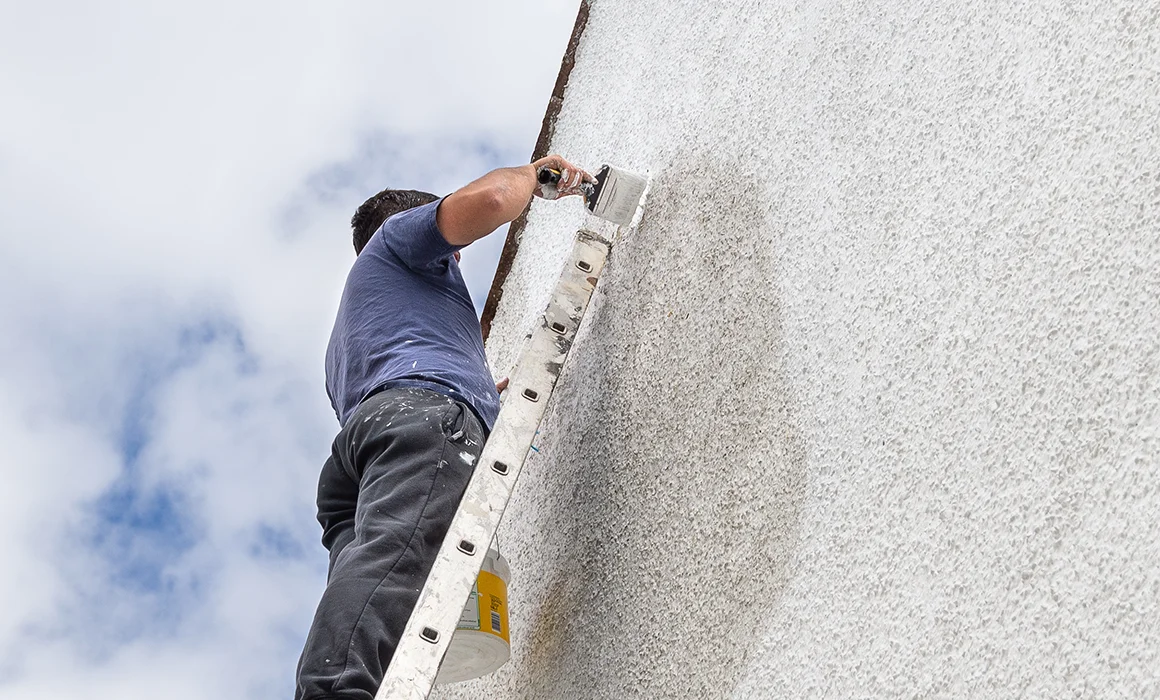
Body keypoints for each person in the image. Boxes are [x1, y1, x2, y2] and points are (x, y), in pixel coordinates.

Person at [295, 155, 594, 700]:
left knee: (380, 589)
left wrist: (483, 399)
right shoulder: (397, 241)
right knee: (393, 561)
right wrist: (536, 175)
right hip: (418, 425)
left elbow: (401, 387)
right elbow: (495, 201)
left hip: (359, 465)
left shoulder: (355, 331)